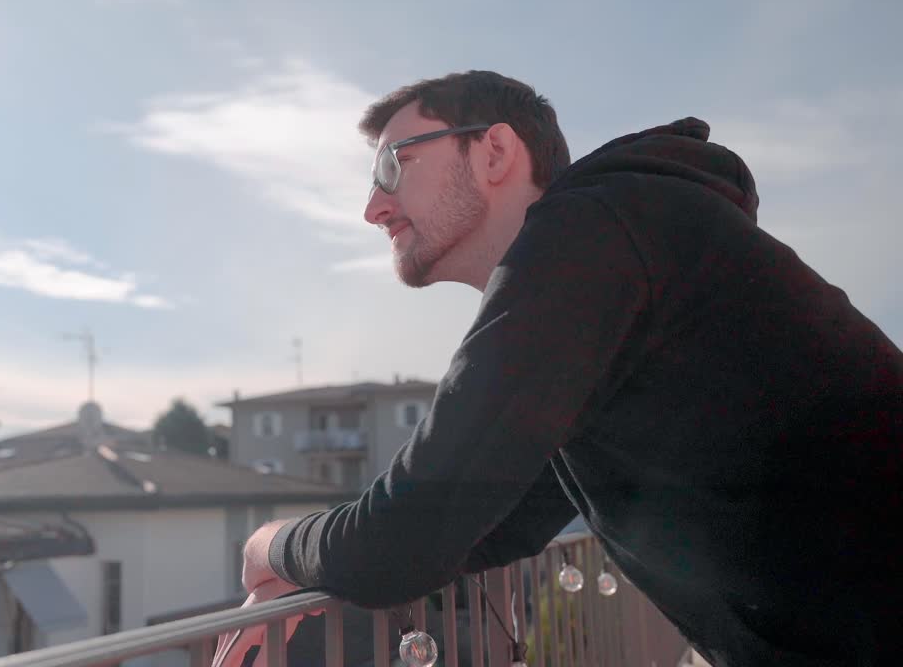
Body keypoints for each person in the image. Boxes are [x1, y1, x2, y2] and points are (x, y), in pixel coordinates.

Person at [212, 71, 903, 667]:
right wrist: (317, 574)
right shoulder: (611, 263)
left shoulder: (593, 232)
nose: (374, 207)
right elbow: (496, 520)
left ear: (495, 150)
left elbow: (408, 535)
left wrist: (269, 547)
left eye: (395, 164)